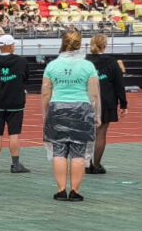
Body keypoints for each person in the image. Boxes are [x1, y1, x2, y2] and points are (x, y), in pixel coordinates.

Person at [41, 31, 100, 202]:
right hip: (81, 109)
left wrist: (45, 113)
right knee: (78, 152)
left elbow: (45, 93)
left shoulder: (52, 66)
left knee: (59, 151)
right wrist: (96, 114)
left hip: (57, 107)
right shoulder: (88, 66)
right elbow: (94, 94)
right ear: (80, 44)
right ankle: (75, 190)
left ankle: (61, 190)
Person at [0, 34, 31, 174]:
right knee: (14, 134)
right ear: (11, 46)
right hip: (15, 102)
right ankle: (15, 164)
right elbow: (26, 78)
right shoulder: (21, 61)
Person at [86, 34, 128, 174]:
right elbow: (119, 84)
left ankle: (87, 164)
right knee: (101, 132)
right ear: (104, 45)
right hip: (106, 100)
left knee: (87, 132)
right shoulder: (111, 62)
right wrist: (123, 104)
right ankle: (96, 165)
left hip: (86, 99)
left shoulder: (84, 61)